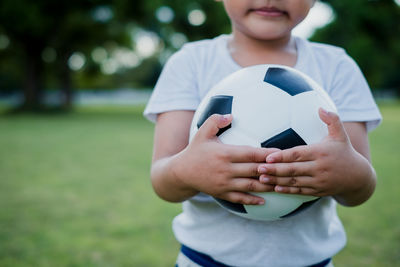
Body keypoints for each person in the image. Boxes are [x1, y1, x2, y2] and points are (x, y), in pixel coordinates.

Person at [144, 0, 382, 266]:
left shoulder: (337, 67)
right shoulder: (190, 63)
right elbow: (162, 181)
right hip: (204, 260)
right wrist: (185, 169)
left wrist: (346, 171)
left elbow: (361, 187)